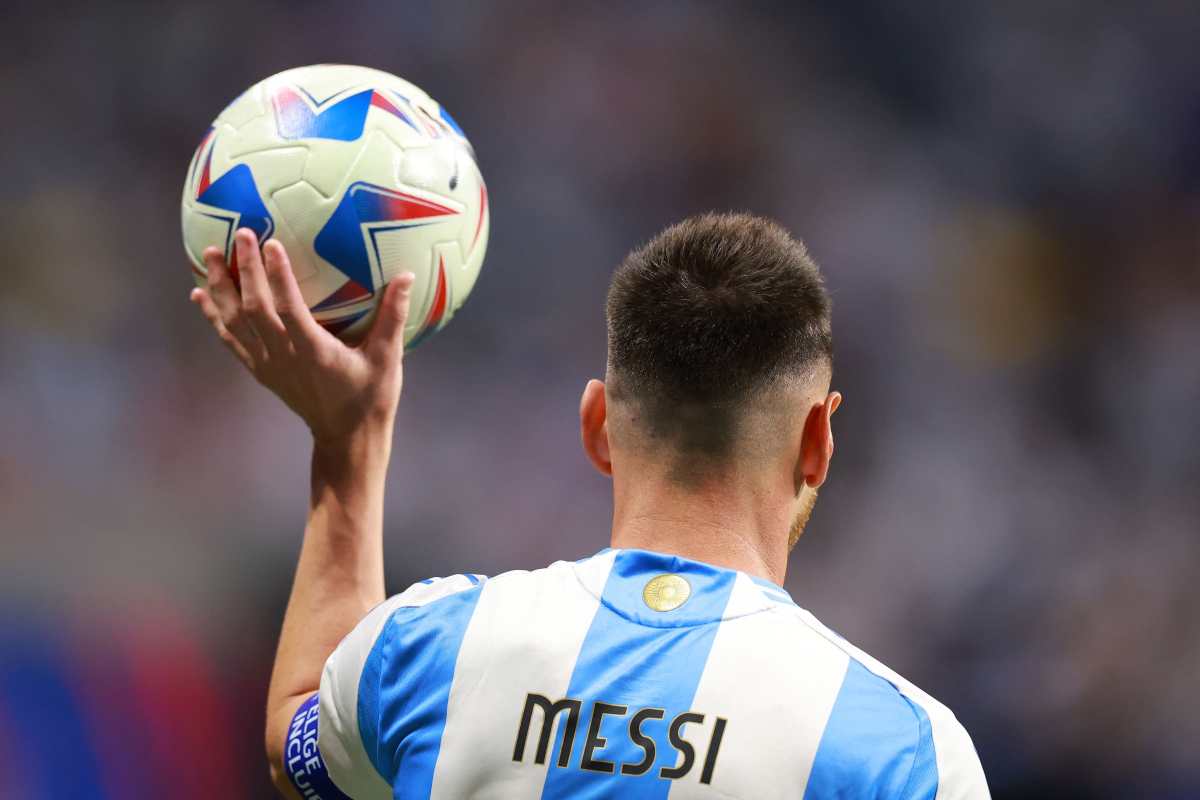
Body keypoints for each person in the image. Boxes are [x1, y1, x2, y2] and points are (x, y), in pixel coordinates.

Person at [191, 213, 990, 799]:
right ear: (818, 440)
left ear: (597, 425)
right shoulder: (903, 754)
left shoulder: (433, 648)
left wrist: (349, 443)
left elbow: (297, 737)